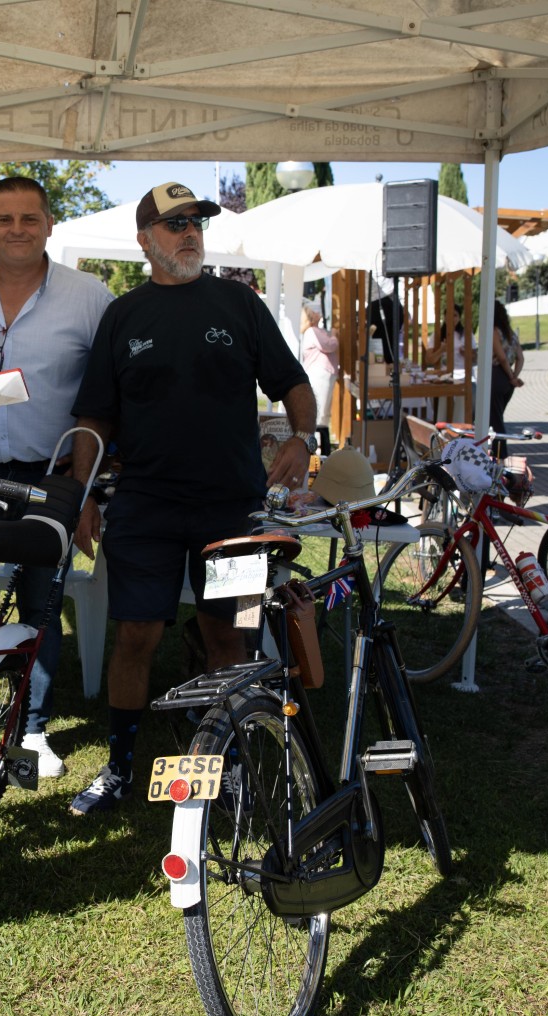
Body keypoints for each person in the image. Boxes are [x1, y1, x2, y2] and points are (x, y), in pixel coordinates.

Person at [64, 182, 316, 815]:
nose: (189, 234)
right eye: (175, 224)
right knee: (136, 635)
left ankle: (224, 767)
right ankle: (120, 770)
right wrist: (82, 494)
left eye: (196, 223)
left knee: (230, 636)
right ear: (145, 240)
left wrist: (303, 436)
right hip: (144, 507)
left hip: (231, 509)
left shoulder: (239, 303)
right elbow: (95, 417)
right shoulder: (123, 316)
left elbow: (292, 381)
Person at [0, 176, 113, 778]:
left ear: (50, 224)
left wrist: (85, 489)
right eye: (4, 219)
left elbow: (106, 397)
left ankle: (31, 730)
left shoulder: (89, 297)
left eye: (30, 218)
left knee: (40, 606)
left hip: (49, 479)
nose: (17, 230)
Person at [299, 300, 340, 436]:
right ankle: (316, 441)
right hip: (320, 373)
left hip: (323, 373)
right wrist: (334, 336)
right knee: (320, 411)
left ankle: (321, 440)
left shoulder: (315, 331)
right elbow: (329, 346)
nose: (319, 312)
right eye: (315, 311)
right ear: (311, 316)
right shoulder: (312, 331)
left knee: (324, 411)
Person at [487, 301, 524, 436]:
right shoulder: (511, 333)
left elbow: (501, 357)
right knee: (498, 415)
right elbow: (520, 358)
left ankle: (501, 448)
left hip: (496, 375)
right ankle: (496, 447)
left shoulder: (494, 331)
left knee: (495, 420)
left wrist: (511, 376)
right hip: (508, 381)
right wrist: (514, 377)